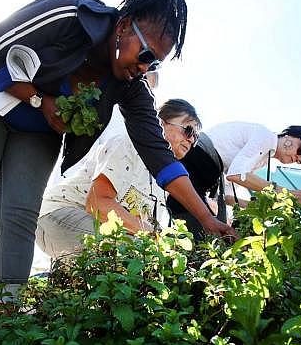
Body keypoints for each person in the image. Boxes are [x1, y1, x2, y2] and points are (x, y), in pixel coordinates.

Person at [0, 0, 236, 310]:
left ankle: (7, 322)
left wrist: (207, 219)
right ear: (123, 26)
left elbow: (161, 158)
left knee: (20, 213)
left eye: (155, 62)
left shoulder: (132, 87)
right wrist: (40, 101)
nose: (145, 66)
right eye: (145, 53)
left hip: (36, 128)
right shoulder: (68, 16)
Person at [36, 99, 201, 259]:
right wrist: (156, 237)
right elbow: (97, 203)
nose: (192, 139)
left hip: (93, 227)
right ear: (160, 123)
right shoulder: (127, 144)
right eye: (188, 130)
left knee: (148, 257)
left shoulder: (161, 181)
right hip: (59, 213)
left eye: (196, 137)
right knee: (136, 253)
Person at [167, 122, 301, 238]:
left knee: (191, 227)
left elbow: (225, 196)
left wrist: (256, 207)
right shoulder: (266, 138)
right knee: (196, 231)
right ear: (288, 136)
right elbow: (237, 175)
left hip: (205, 172)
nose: (298, 157)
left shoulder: (262, 158)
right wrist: (287, 193)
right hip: (199, 160)